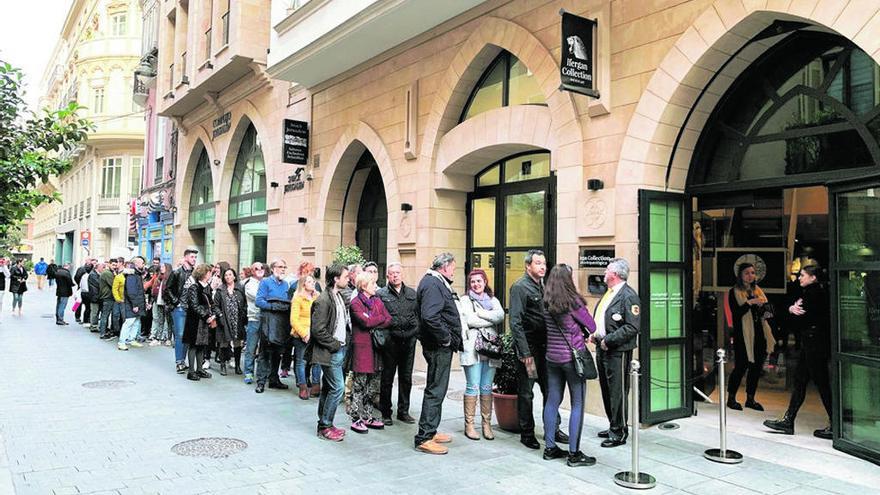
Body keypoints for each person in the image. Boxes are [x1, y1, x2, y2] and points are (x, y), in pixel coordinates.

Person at [763, 264, 833, 439]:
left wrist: (791, 310)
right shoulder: (815, 293)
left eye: (803, 275)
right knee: (801, 381)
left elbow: (799, 319)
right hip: (812, 342)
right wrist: (791, 309)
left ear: (813, 277)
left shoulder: (813, 294)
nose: (799, 278)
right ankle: (789, 420)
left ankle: (835, 423)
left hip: (814, 343)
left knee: (820, 382)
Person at [509, 249, 567, 450]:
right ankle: (527, 433)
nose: (543, 266)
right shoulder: (519, 287)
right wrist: (525, 353)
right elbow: (515, 322)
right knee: (527, 393)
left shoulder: (544, 286)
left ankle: (553, 429)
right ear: (528, 266)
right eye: (538, 263)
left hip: (547, 349)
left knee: (550, 390)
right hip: (530, 351)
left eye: (544, 263)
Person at [542, 264, 597, 466]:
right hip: (573, 360)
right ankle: (574, 454)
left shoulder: (546, 302)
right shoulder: (573, 302)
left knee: (552, 401)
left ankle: (549, 448)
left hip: (552, 359)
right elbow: (592, 326)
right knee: (578, 403)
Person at [414, 252, 464, 455]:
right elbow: (430, 316)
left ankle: (430, 430)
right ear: (444, 267)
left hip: (438, 345)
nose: (454, 271)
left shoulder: (435, 281)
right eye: (453, 267)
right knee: (436, 389)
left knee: (437, 388)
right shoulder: (433, 284)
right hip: (438, 346)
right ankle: (424, 436)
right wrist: (446, 338)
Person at [593, 258, 641, 448]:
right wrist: (595, 335)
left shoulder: (628, 296)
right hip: (602, 347)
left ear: (615, 274)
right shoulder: (609, 293)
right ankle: (614, 424)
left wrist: (609, 340)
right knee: (606, 389)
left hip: (617, 351)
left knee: (617, 391)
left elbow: (632, 327)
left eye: (607, 270)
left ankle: (619, 432)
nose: (604, 273)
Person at [459, 268, 505, 440]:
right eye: (473, 281)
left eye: (479, 281)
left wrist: (481, 313)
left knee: (487, 387)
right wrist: (489, 318)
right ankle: (469, 425)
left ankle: (486, 424)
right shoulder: (464, 300)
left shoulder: (492, 300)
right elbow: (469, 320)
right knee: (473, 385)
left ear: (485, 282)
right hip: (472, 349)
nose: (476, 284)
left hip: (490, 349)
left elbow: (500, 315)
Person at [310, 264, 351, 442]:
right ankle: (325, 425)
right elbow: (318, 330)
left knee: (329, 387)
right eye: (346, 276)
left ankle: (326, 424)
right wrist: (334, 345)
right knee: (338, 388)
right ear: (336, 279)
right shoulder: (324, 300)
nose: (348, 279)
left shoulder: (338, 296)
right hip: (330, 351)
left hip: (339, 349)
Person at [726, 263, 775, 411]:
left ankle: (750, 399)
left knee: (756, 367)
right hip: (743, 335)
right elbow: (736, 313)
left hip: (759, 333)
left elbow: (768, 314)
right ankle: (731, 398)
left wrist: (762, 307)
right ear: (740, 275)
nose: (750, 276)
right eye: (747, 273)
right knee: (740, 366)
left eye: (753, 273)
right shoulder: (734, 291)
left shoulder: (758, 290)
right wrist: (749, 303)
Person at [347, 272, 392, 433]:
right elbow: (365, 322)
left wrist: (373, 319)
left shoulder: (377, 300)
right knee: (359, 384)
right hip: (362, 348)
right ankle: (355, 417)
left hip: (376, 348)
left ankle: (368, 415)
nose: (376, 286)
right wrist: (376, 318)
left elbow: (388, 319)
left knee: (372, 386)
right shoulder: (355, 303)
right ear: (364, 286)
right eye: (373, 284)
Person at [377, 262, 420, 425]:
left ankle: (403, 411)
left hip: (408, 342)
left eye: (398, 273)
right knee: (387, 378)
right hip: (390, 342)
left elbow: (417, 316)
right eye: (392, 273)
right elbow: (379, 318)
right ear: (387, 276)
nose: (395, 275)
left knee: (406, 378)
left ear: (402, 275)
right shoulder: (381, 294)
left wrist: (413, 333)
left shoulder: (412, 293)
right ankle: (385, 412)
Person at [254, 259, 292, 393]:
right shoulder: (265, 282)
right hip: (268, 323)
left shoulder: (286, 284)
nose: (283, 269)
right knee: (264, 354)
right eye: (280, 267)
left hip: (281, 324)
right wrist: (272, 306)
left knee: (277, 353)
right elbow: (258, 301)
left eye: (284, 267)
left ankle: (274, 379)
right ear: (273, 268)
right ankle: (261, 382)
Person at [165, 248, 198, 374]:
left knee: (187, 336)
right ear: (185, 258)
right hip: (179, 308)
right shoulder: (177, 273)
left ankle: (183, 361)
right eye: (191, 257)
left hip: (191, 309)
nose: (194, 259)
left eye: (195, 257)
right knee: (179, 335)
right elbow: (167, 289)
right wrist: (176, 302)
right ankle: (179, 361)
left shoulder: (195, 274)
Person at [183, 263, 217, 381]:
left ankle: (200, 369)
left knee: (202, 345)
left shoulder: (207, 287)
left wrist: (216, 313)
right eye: (209, 272)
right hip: (195, 321)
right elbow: (194, 305)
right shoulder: (194, 287)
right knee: (193, 345)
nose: (210, 274)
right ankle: (191, 371)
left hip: (203, 321)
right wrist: (207, 315)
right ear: (203, 273)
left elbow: (211, 303)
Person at [290, 274, 322, 400]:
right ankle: (303, 387)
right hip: (301, 334)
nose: (313, 283)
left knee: (317, 361)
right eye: (309, 281)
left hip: (315, 333)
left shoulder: (317, 297)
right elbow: (294, 319)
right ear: (303, 284)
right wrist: (304, 333)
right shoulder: (297, 298)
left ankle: (315, 385)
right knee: (301, 361)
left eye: (313, 281)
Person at [214, 267, 247, 376]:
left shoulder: (240, 288)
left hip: (237, 320)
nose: (228, 277)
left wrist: (243, 314)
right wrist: (220, 316)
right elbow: (216, 306)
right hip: (224, 320)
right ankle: (223, 365)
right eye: (226, 275)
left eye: (230, 275)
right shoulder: (220, 290)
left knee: (237, 343)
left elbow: (245, 304)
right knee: (224, 342)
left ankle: (237, 365)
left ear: (234, 276)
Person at [242, 262, 265, 384]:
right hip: (254, 319)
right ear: (252, 271)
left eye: (262, 267)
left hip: (266, 319)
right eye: (257, 268)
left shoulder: (266, 282)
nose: (260, 269)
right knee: (251, 348)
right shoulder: (249, 284)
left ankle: (262, 374)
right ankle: (249, 372)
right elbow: (259, 298)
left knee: (264, 349)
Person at [118, 257, 147, 351]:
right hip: (132, 304)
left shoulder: (136, 274)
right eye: (142, 263)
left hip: (136, 303)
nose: (143, 265)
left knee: (136, 321)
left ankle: (131, 339)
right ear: (137, 264)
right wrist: (135, 305)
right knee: (129, 322)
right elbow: (131, 291)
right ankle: (122, 342)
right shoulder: (132, 275)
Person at [149, 263, 173, 346]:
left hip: (166, 303)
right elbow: (154, 290)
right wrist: (152, 301)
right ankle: (158, 338)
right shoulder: (158, 278)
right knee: (160, 320)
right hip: (159, 301)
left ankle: (168, 338)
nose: (161, 268)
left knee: (169, 321)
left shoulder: (170, 278)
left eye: (163, 267)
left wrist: (169, 302)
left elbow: (169, 291)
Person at [98, 259, 118, 339]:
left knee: (105, 315)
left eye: (116, 265)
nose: (114, 267)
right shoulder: (107, 273)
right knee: (105, 315)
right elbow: (114, 284)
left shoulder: (108, 273)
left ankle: (104, 331)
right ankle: (103, 333)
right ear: (109, 264)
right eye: (113, 265)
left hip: (107, 296)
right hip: (108, 297)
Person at [88, 263, 103, 332]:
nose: (103, 269)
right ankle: (93, 326)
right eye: (102, 267)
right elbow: (99, 284)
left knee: (96, 312)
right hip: (95, 296)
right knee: (94, 312)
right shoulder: (93, 275)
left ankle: (95, 325)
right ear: (98, 268)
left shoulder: (97, 274)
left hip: (97, 296)